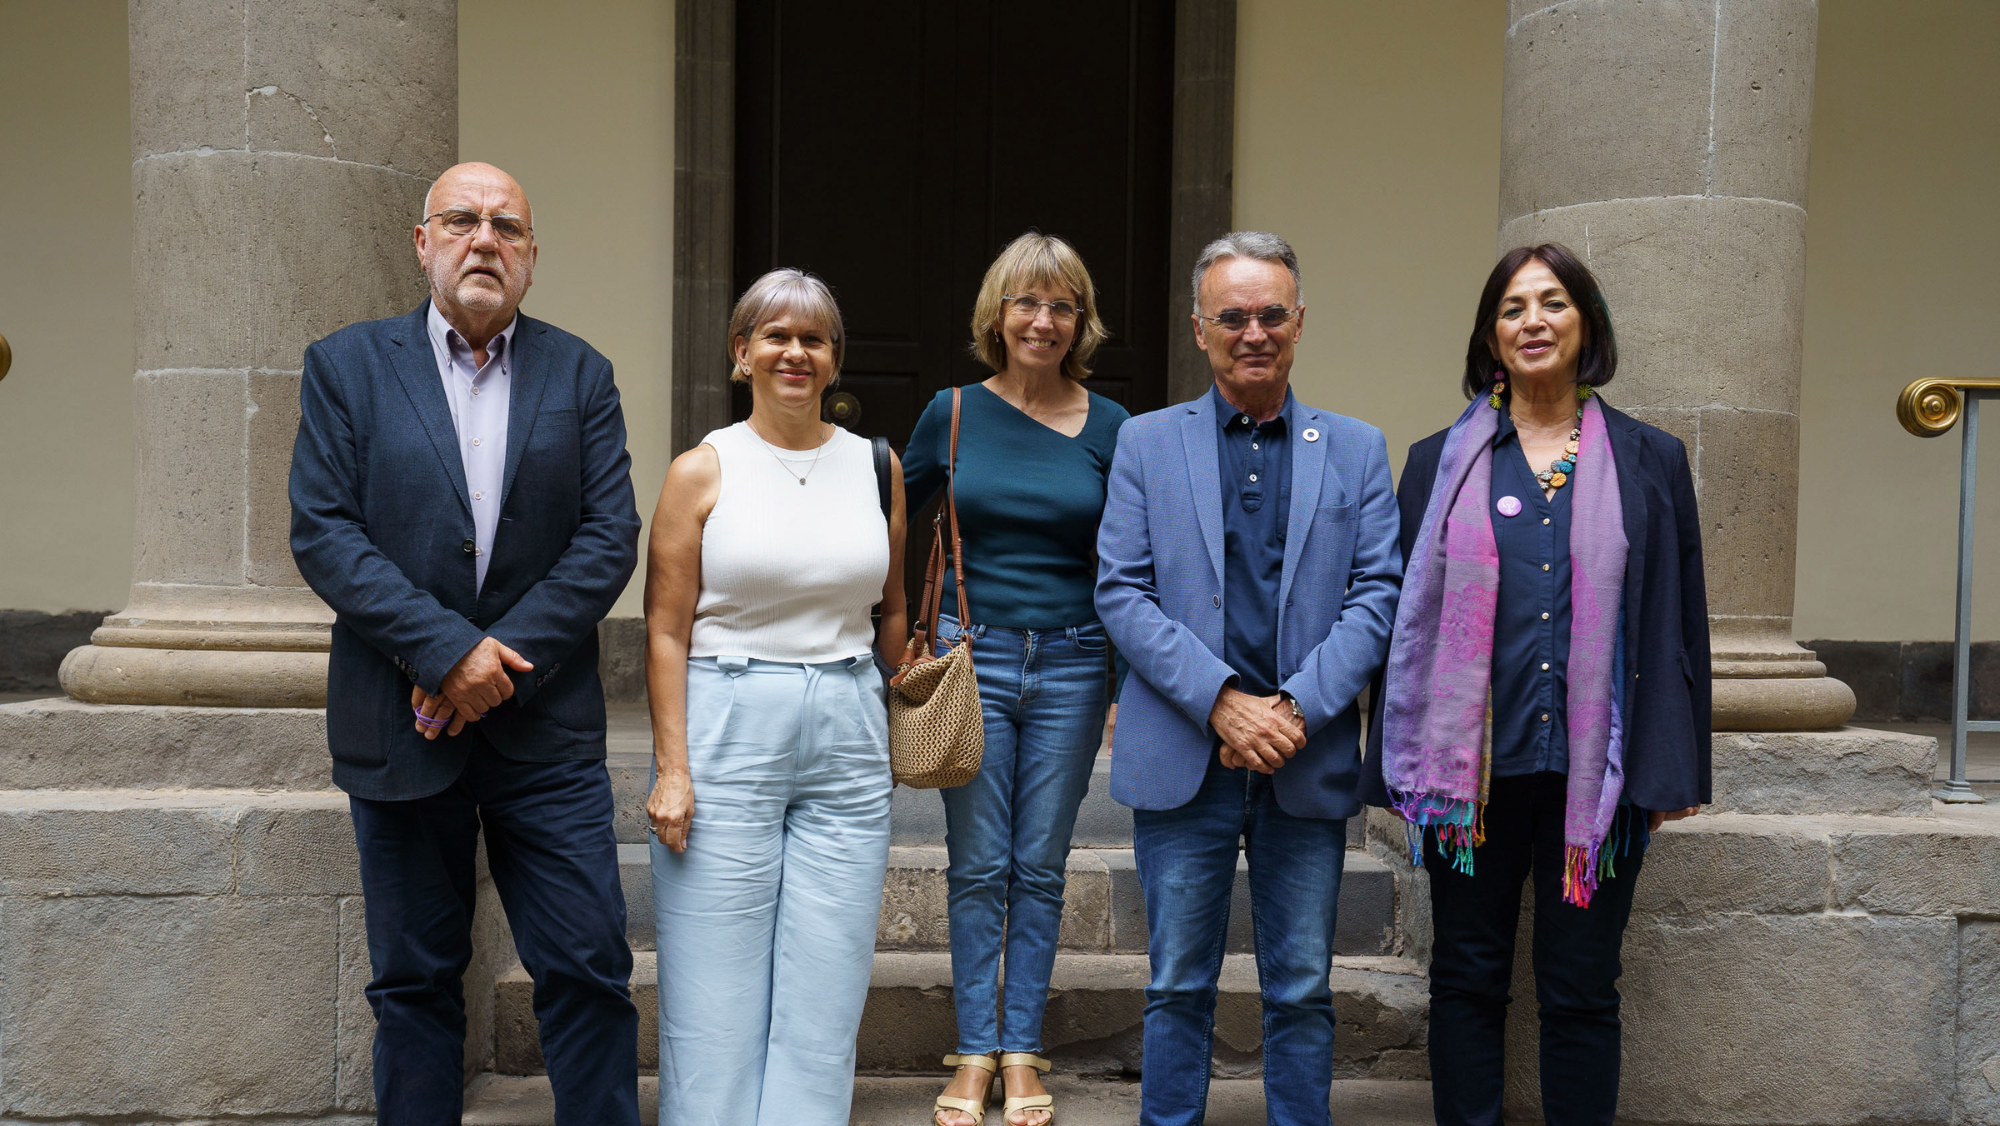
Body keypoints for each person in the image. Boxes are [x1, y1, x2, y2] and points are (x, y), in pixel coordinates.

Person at [289, 161, 643, 1124]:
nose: (484, 239)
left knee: (587, 967)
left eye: (508, 227)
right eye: (462, 220)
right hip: (398, 731)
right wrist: (446, 653)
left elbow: (610, 537)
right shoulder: (346, 366)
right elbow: (323, 530)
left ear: (530, 257)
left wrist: (492, 664)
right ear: (423, 243)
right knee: (412, 983)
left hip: (545, 732)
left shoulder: (582, 373)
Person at [1363, 243, 1709, 1126]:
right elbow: (1406, 622)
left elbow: (1678, 619)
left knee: (1583, 987)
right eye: (1513, 308)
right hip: (1468, 779)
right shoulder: (1438, 461)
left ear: (1585, 321)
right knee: (1467, 979)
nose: (1534, 322)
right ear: (1490, 334)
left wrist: (1675, 765)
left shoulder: (1649, 459)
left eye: (1553, 303)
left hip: (1600, 774)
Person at [1094, 231, 1402, 1126]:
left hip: (1304, 757)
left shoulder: (1354, 447)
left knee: (1303, 986)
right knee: (1177, 982)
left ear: (1299, 322)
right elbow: (1122, 588)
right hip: (1187, 750)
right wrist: (1224, 703)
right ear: (1200, 328)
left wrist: (1294, 709)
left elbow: (1377, 595)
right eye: (1233, 316)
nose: (1254, 332)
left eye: (1272, 314)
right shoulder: (1147, 443)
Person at [641, 267, 906, 1126]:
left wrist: (907, 706)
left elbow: (892, 607)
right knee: (712, 982)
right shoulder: (702, 470)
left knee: (827, 982)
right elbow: (667, 630)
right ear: (741, 351)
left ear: (834, 361)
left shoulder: (876, 465)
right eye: (777, 335)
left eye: (815, 339)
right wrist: (671, 769)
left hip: (847, 720)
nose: (796, 352)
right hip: (729, 718)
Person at [905, 232, 1131, 1126]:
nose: (1043, 320)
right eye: (1026, 302)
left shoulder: (1115, 427)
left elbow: (1131, 561)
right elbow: (888, 511)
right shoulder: (952, 412)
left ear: (1081, 320)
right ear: (996, 314)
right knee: (976, 865)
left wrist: (1124, 679)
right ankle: (973, 1051)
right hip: (974, 655)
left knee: (1039, 865)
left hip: (1077, 662)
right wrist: (895, 633)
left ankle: (1022, 1047)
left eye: (1062, 304)